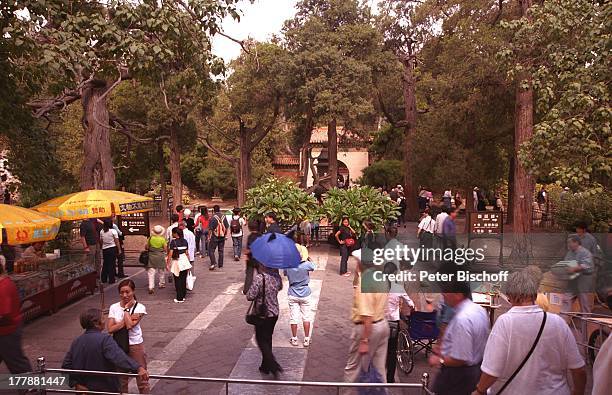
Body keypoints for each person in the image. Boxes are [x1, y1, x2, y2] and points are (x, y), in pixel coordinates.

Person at [473, 270, 586, 395]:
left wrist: (479, 391)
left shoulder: (505, 322)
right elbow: (579, 370)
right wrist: (578, 392)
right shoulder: (558, 322)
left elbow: (492, 371)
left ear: (509, 295)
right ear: (535, 295)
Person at [62, 308, 148, 393]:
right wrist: (138, 368)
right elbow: (118, 357)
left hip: (83, 389)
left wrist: (76, 384)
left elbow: (66, 365)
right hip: (104, 388)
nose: (105, 321)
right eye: (103, 318)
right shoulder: (105, 339)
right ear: (96, 323)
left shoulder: (77, 341)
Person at [429, 281, 489, 395]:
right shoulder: (479, 310)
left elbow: (460, 359)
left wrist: (439, 360)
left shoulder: (462, 320)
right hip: (475, 371)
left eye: (447, 292)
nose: (443, 295)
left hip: (457, 375)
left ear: (458, 294)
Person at [343, 248, 390, 387]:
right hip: (383, 324)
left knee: (353, 368)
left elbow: (367, 314)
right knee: (380, 368)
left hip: (368, 327)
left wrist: (364, 339)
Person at [107, 280, 149, 393]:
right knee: (121, 379)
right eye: (121, 292)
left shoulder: (140, 307)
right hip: (119, 345)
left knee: (142, 377)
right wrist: (125, 320)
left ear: (133, 291)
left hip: (135, 344)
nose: (124, 295)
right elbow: (110, 329)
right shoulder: (113, 307)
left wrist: (126, 309)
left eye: (127, 292)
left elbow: (130, 326)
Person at [246, 262, 283, 378]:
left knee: (261, 339)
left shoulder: (259, 278)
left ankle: (273, 365)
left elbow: (250, 296)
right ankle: (265, 366)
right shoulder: (276, 277)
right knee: (268, 338)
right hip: (274, 313)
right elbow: (280, 287)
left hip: (262, 314)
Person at [0, 261, 31, 374]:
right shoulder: (6, 282)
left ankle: (30, 389)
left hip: (7, 332)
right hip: (9, 329)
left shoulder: (2, 287)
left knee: (17, 364)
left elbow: (4, 315)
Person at [284, 244, 316, 347]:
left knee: (294, 317)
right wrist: (307, 258)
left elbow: (285, 274)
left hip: (293, 292)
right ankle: (306, 339)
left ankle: (294, 339)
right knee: (306, 317)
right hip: (305, 293)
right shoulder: (306, 265)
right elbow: (313, 266)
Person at [385, 275, 414, 383]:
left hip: (381, 321)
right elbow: (411, 303)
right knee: (392, 351)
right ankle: (390, 378)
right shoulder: (398, 288)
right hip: (393, 323)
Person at [562, 235, 594, 314]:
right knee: (566, 299)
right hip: (573, 278)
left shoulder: (585, 252)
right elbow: (566, 262)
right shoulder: (570, 252)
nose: (568, 244)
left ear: (576, 242)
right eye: (567, 243)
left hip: (584, 278)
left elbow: (587, 265)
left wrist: (574, 268)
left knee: (584, 302)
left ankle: (585, 323)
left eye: (570, 242)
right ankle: (563, 322)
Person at [167, 227, 191, 303]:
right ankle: (183, 295)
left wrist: (168, 263)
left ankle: (179, 298)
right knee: (183, 279)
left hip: (177, 261)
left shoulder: (173, 242)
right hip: (184, 260)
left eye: (173, 233)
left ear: (176, 234)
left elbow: (170, 254)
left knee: (177, 279)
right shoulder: (185, 241)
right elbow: (187, 253)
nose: (172, 234)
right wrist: (188, 263)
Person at [145, 225, 168, 294]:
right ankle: (161, 283)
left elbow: (146, 247)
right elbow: (165, 249)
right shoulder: (163, 239)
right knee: (161, 271)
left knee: (151, 272)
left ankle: (151, 287)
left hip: (152, 256)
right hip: (160, 256)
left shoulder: (150, 238)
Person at [243, 220, 263, 294]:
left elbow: (251, 247)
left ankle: (246, 289)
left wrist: (247, 252)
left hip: (251, 258)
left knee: (249, 275)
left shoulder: (250, 237)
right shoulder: (261, 236)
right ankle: (263, 287)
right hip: (260, 258)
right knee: (261, 274)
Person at [100, 218, 121, 284]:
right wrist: (119, 249)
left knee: (105, 264)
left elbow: (101, 241)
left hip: (105, 249)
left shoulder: (102, 231)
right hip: (112, 248)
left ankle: (104, 279)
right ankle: (111, 279)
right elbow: (117, 241)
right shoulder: (113, 231)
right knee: (112, 264)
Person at [208, 205, 229, 271]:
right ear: (219, 209)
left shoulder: (212, 218)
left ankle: (213, 263)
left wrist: (209, 237)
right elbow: (227, 226)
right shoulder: (224, 216)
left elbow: (210, 229)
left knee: (211, 250)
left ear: (213, 210)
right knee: (221, 250)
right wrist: (225, 235)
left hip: (214, 236)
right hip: (222, 236)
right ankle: (220, 264)